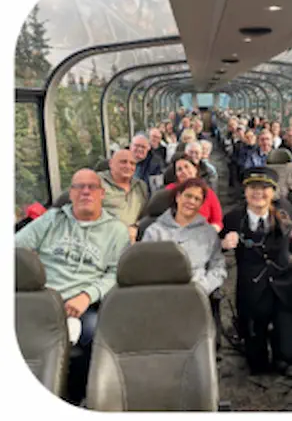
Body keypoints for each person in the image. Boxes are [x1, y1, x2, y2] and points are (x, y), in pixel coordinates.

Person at [17, 169, 132, 404]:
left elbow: (114, 273)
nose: (86, 192)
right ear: (71, 193)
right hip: (42, 296)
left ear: (102, 193)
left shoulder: (116, 231)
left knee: (95, 336)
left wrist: (86, 296)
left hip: (84, 303)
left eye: (92, 187)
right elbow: (17, 247)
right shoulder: (51, 219)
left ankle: (77, 396)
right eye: (79, 187)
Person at [222, 167, 292, 375]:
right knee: (256, 363)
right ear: (245, 191)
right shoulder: (233, 218)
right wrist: (224, 243)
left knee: (290, 355)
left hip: (283, 288)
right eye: (253, 187)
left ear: (273, 192)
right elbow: (215, 245)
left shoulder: (285, 210)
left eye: (265, 188)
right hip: (252, 290)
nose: (258, 193)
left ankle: (282, 349)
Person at [140, 177, 227, 320]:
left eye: (197, 199)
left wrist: (202, 288)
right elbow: (144, 267)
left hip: (196, 297)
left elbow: (218, 267)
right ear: (178, 197)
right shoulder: (154, 231)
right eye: (188, 196)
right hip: (161, 298)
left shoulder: (209, 233)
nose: (191, 202)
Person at [167, 155, 224, 231]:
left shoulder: (208, 192)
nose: (183, 171)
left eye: (187, 167)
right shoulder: (169, 190)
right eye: (179, 169)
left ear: (195, 169)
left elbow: (217, 221)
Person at [102, 149, 150, 237]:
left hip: (133, 237)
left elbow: (145, 214)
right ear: (111, 164)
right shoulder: (96, 182)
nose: (128, 166)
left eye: (132, 163)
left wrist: (136, 227)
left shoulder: (141, 185)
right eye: (123, 162)